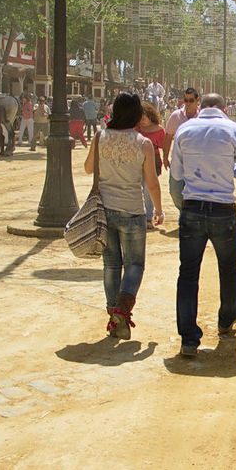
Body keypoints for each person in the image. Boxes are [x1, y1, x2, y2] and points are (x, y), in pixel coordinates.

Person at [171, 93, 236, 356]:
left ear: (200, 107)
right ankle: (226, 318)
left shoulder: (184, 129)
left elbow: (176, 173)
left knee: (188, 273)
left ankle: (188, 339)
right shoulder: (234, 129)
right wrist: (231, 171)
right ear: (224, 108)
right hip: (222, 210)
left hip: (192, 207)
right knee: (228, 268)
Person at [84, 92, 164, 340]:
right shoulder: (143, 143)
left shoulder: (100, 137)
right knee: (135, 264)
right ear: (137, 115)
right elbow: (151, 182)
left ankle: (113, 313)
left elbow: (88, 168)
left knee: (111, 264)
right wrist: (159, 210)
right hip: (132, 211)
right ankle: (122, 309)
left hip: (105, 211)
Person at [163, 87, 200, 211]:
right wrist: (165, 157)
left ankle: (189, 216)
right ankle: (184, 211)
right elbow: (168, 137)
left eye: (191, 100)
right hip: (178, 162)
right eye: (186, 100)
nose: (188, 103)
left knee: (195, 194)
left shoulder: (202, 118)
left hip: (197, 164)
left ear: (197, 100)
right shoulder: (176, 116)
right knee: (175, 191)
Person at [137, 101, 166, 230]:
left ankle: (148, 216)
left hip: (153, 161)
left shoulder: (159, 130)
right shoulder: (136, 128)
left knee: (148, 188)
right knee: (139, 188)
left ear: (150, 116)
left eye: (143, 118)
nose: (142, 121)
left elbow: (163, 146)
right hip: (138, 160)